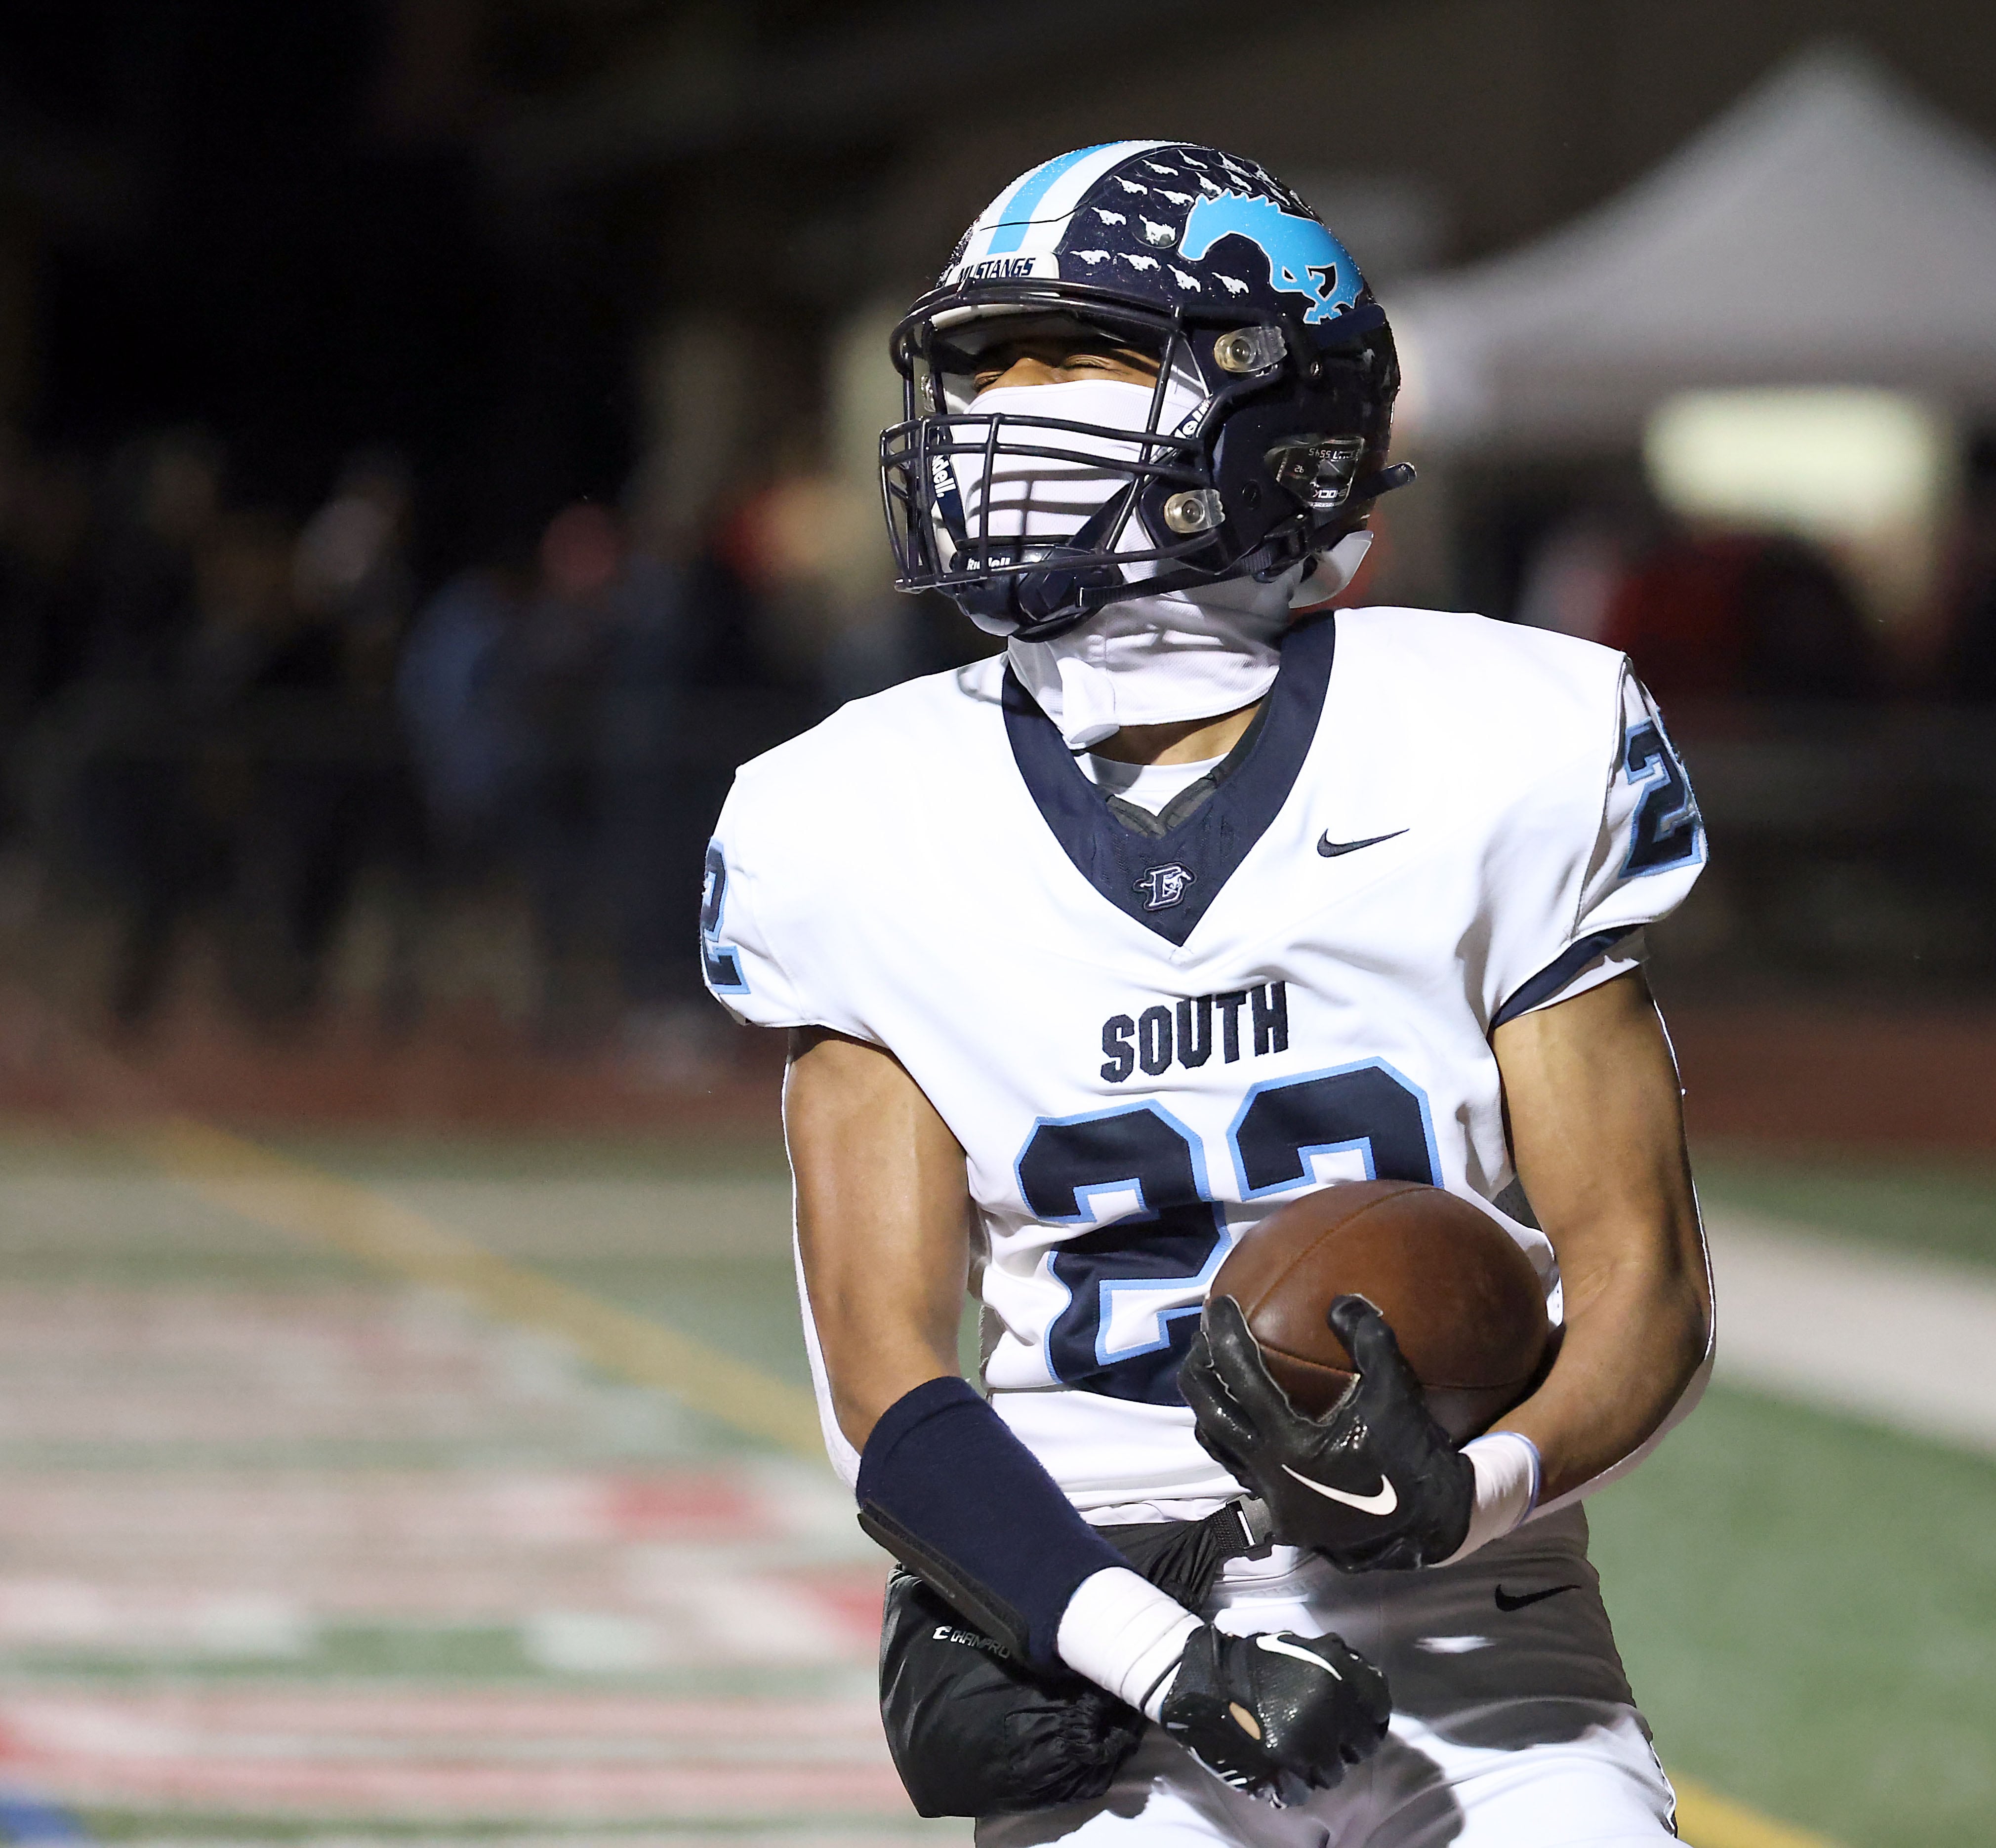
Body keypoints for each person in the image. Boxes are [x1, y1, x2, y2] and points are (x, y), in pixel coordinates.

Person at [703, 142, 1712, 1845]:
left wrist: (1463, 1492)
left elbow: (1646, 1285)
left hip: (1477, 1616)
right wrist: (1169, 1665)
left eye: (1067, 352)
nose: (996, 408)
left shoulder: (1503, 741)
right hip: (1088, 1624)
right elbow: (881, 1377)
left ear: (1271, 405)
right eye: (976, 365)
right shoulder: (840, 816)